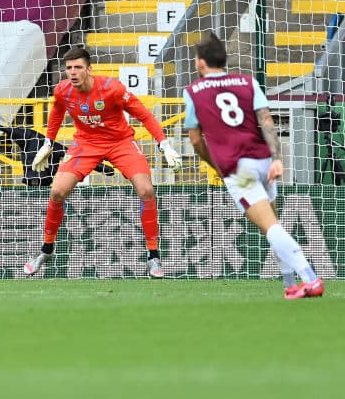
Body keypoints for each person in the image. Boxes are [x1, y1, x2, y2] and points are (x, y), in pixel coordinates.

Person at [184, 33, 324, 299]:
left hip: (240, 170)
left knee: (271, 227)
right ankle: (289, 283)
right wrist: (277, 159)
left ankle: (311, 278)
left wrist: (217, 166)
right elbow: (266, 121)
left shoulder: (193, 92)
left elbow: (195, 140)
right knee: (273, 224)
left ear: (201, 63)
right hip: (262, 161)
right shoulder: (248, 82)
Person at [23, 46, 182, 278]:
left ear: (89, 69)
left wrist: (164, 144)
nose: (73, 72)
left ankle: (153, 257)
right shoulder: (63, 91)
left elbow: (144, 115)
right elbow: (57, 111)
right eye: (69, 68)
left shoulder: (112, 89)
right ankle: (46, 251)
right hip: (86, 144)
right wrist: (48, 142)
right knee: (57, 192)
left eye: (78, 67)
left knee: (146, 190)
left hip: (121, 143)